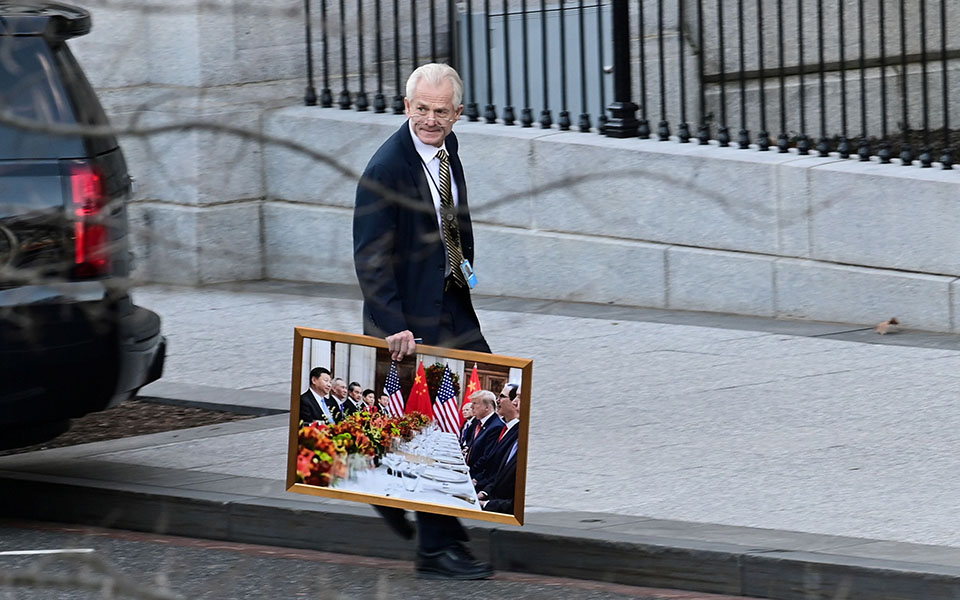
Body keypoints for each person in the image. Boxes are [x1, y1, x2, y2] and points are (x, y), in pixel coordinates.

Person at [353, 62, 492, 580]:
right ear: (406, 106)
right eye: (422, 110)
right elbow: (370, 254)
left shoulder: (446, 149)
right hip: (409, 318)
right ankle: (437, 548)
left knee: (486, 401)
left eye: (441, 112)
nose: (430, 120)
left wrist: (464, 267)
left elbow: (450, 217)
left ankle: (388, 483)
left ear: (458, 113)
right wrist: (392, 324)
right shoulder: (386, 168)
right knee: (439, 429)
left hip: (451, 300)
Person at [473, 383, 520, 493]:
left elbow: (501, 470)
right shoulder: (506, 428)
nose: (497, 401)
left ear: (514, 403)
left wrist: (484, 491)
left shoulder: (517, 433)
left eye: (502, 397)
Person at [464, 390, 505, 479]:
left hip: (477, 476)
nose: (471, 406)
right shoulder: (479, 422)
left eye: (475, 403)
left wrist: (468, 471)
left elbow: (487, 457)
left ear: (487, 407)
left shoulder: (496, 426)